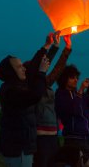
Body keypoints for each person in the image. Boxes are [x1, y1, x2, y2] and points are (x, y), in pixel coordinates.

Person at [0, 44, 50, 167]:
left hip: (21, 144)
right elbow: (35, 95)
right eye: (19, 67)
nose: (24, 68)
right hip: (18, 146)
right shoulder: (11, 91)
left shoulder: (16, 85)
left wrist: (46, 47)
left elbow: (32, 67)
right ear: (11, 71)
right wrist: (41, 73)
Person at [54, 65, 89, 166]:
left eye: (77, 78)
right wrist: (81, 90)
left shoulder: (80, 96)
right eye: (72, 77)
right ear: (64, 79)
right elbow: (74, 110)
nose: (76, 80)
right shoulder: (61, 95)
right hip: (74, 139)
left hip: (87, 138)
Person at [33, 33, 72, 167]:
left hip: (53, 133)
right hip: (40, 135)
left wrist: (66, 48)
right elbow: (41, 63)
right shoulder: (33, 86)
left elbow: (58, 68)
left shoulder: (46, 83)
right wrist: (52, 46)